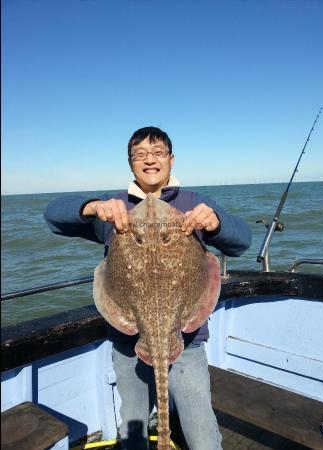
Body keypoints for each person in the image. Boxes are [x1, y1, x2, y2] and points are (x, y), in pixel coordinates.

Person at [44, 126, 252, 450]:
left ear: (171, 159)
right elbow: (53, 217)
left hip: (187, 340)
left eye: (157, 153)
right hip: (130, 341)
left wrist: (215, 223)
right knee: (133, 427)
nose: (149, 160)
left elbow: (242, 241)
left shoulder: (195, 204)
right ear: (130, 163)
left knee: (203, 433)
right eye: (140, 154)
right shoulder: (114, 209)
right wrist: (92, 206)